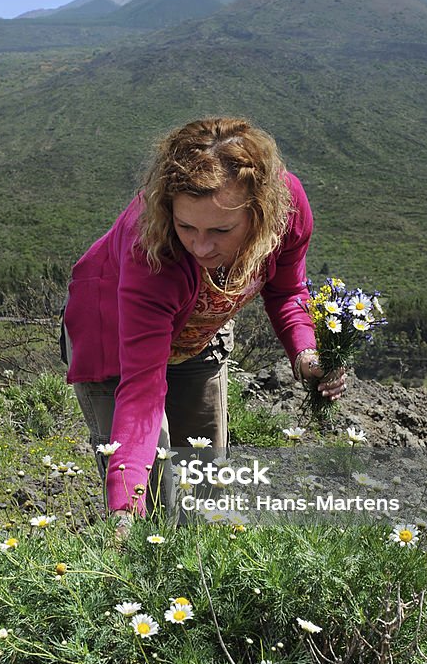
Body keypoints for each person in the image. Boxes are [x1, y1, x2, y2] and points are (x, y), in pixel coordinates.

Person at [62, 117, 345, 524]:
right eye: (186, 226)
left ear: (260, 213)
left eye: (221, 229)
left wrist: (305, 353)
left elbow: (286, 290)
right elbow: (141, 393)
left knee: (206, 482)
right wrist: (125, 509)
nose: (200, 246)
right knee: (152, 497)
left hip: (199, 333)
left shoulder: (288, 209)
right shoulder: (152, 251)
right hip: (113, 337)